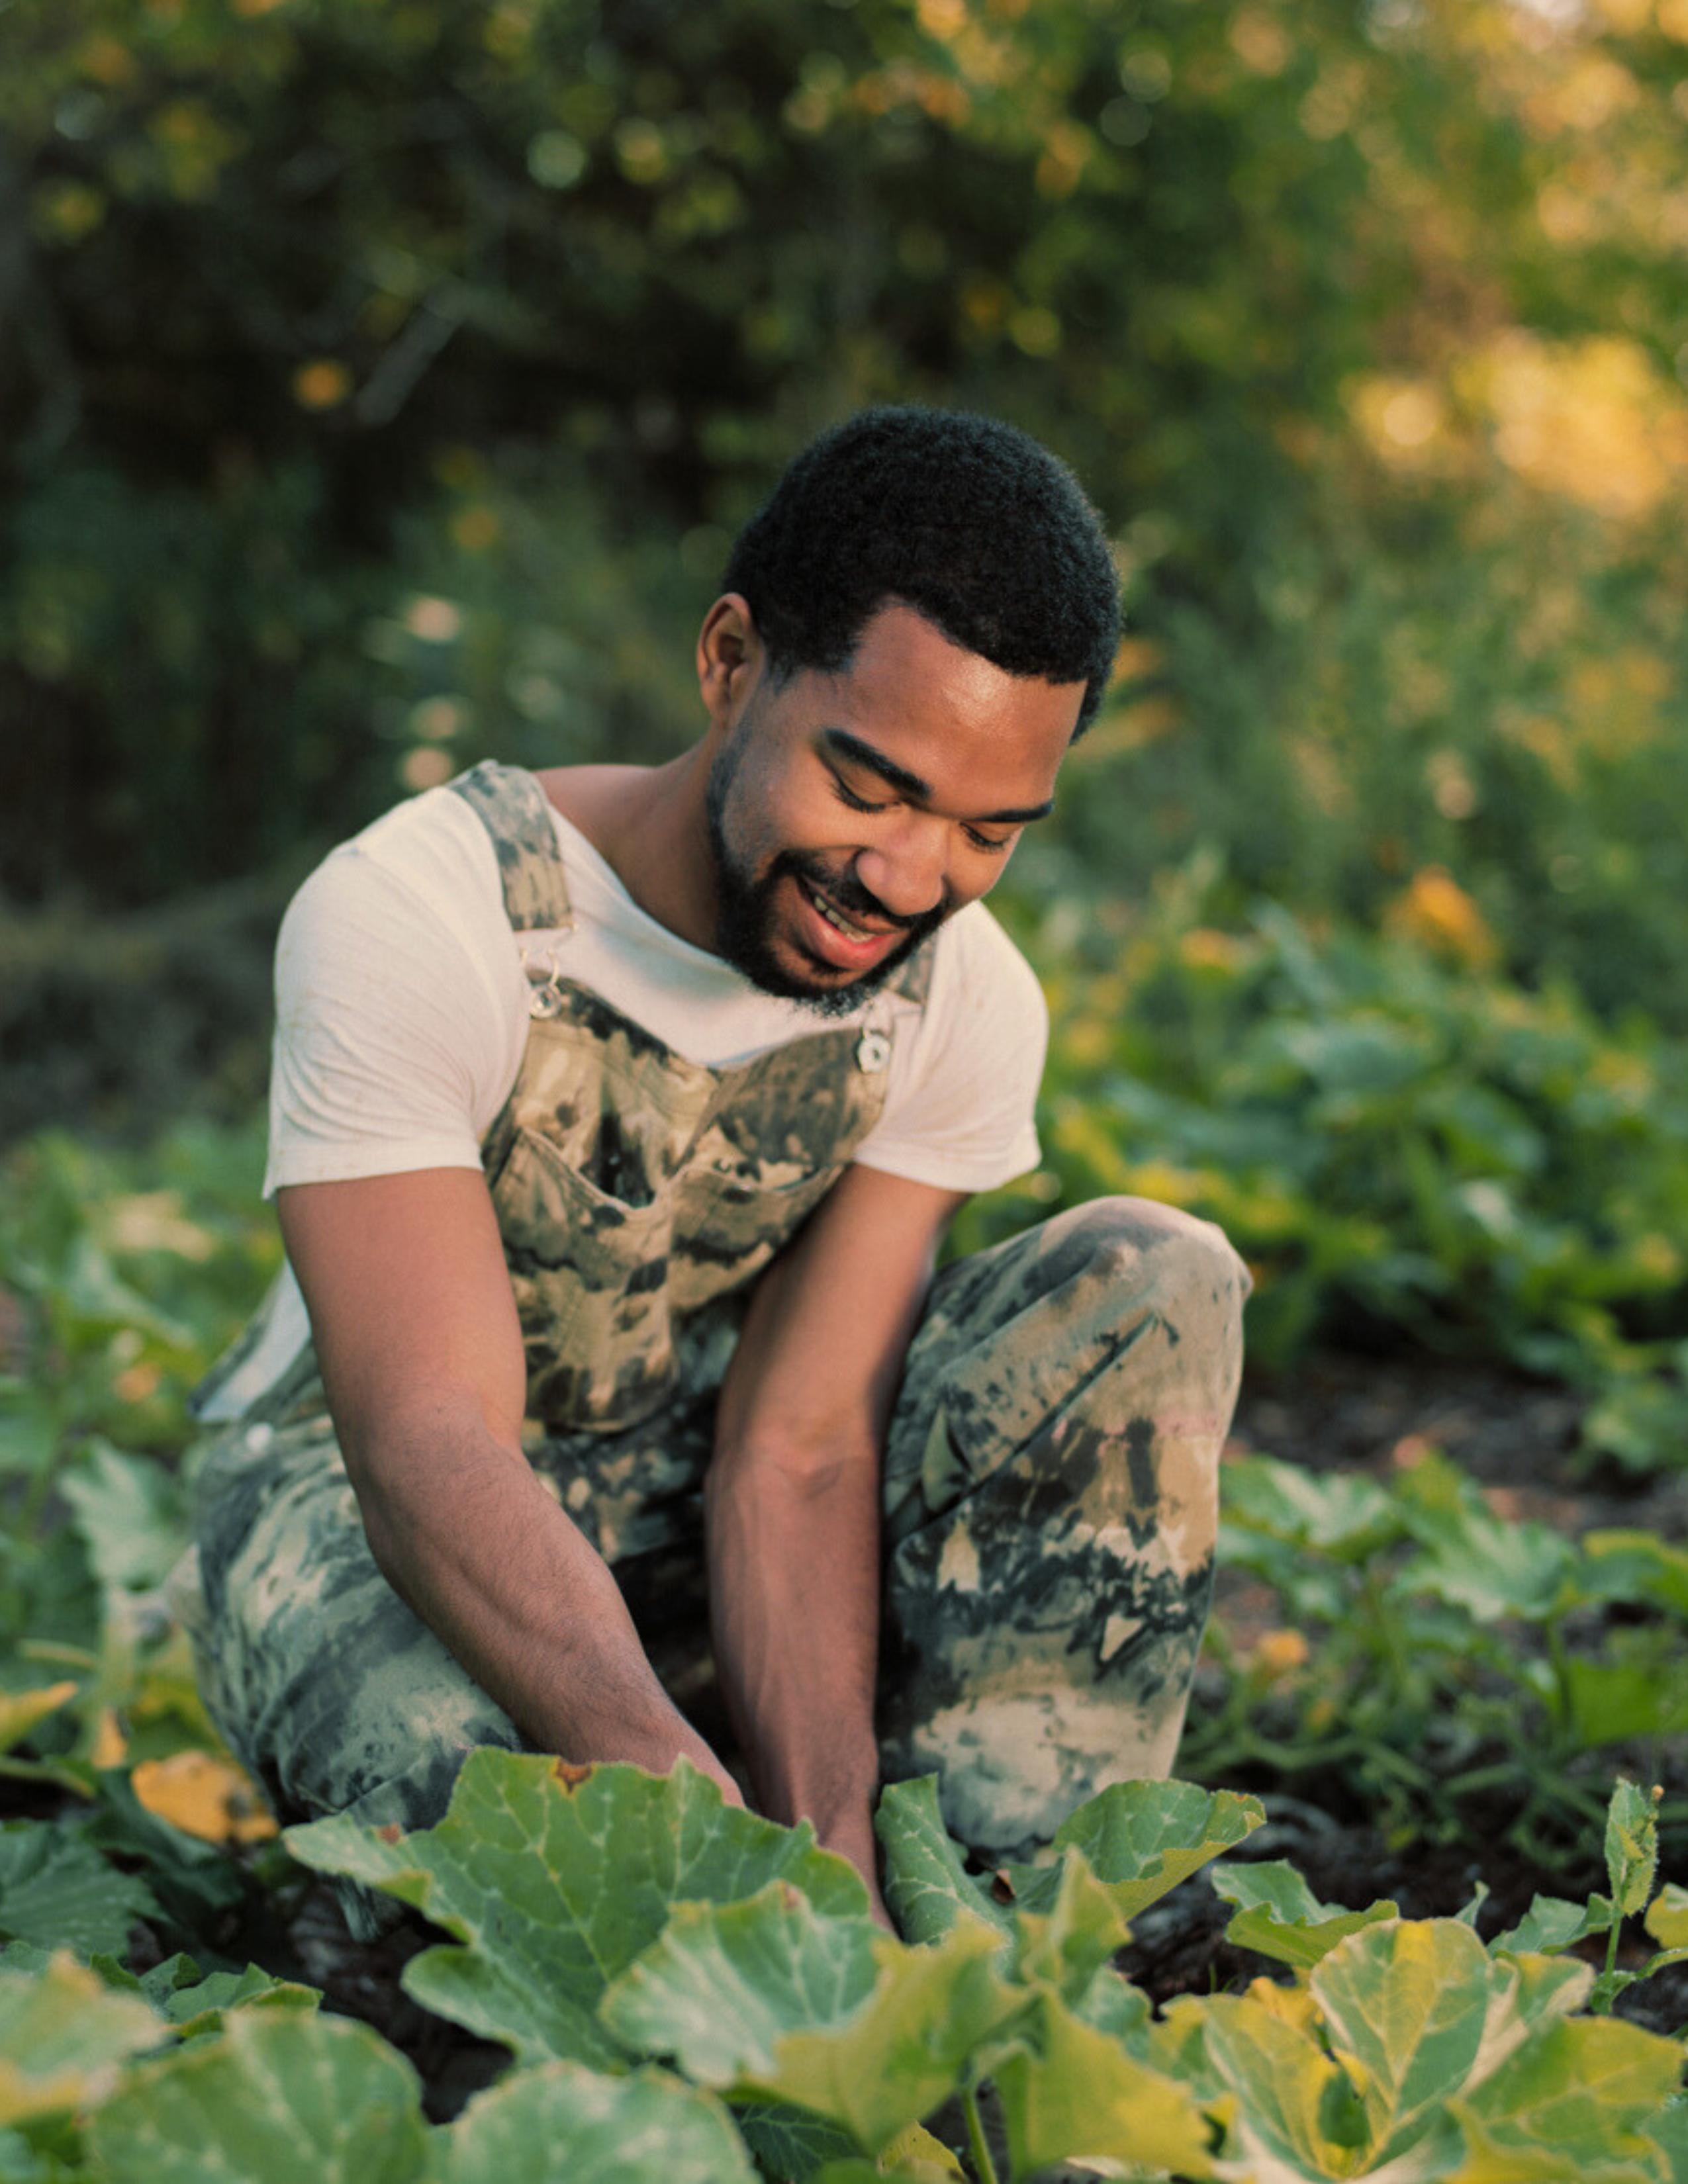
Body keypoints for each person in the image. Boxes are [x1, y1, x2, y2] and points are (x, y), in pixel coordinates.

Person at [181, 407, 1251, 1936]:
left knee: (1154, 1274)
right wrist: (703, 1833)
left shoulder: (961, 998)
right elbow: (425, 1440)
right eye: (871, 789)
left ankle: (1011, 1941)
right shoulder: (427, 911)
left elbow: (801, 1448)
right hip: (365, 1514)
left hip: (683, 1515)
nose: (909, 879)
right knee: (523, 1897)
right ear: (733, 660)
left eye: (988, 833)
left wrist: (829, 1858)